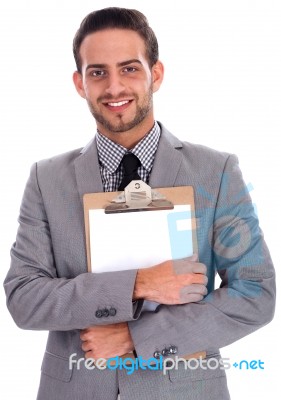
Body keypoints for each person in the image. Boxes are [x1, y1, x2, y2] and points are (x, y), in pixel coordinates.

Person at [4, 7, 275, 400]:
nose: (114, 87)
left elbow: (256, 293)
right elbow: (24, 298)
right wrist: (139, 283)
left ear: (156, 74)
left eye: (129, 68)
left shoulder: (215, 172)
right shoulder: (47, 180)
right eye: (98, 72)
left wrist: (136, 337)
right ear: (80, 83)